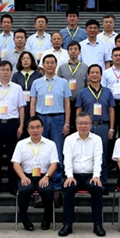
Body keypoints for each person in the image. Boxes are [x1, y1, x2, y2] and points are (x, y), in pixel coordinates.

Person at [58, 113, 105, 237]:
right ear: (76, 124)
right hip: (74, 175)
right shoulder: (69, 139)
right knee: (68, 189)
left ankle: (98, 225)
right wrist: (69, 176)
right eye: (80, 123)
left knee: (97, 189)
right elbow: (67, 160)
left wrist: (96, 176)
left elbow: (98, 159)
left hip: (90, 175)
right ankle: (67, 225)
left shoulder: (97, 139)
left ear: (91, 124)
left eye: (86, 123)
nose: (83, 126)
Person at [30, 54, 72, 190]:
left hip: (57, 119)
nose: (49, 65)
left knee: (57, 151)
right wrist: (32, 122)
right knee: (40, 150)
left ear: (56, 65)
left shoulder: (63, 82)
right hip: (41, 118)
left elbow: (67, 103)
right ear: (43, 65)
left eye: (52, 62)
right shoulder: (36, 83)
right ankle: (40, 182)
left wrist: (67, 122)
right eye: (47, 62)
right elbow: (33, 103)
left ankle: (57, 184)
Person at [0, 60, 26, 194]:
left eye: (8, 70)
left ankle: (13, 185)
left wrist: (21, 125)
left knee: (12, 155)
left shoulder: (17, 88)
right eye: (2, 70)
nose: (5, 72)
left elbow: (21, 108)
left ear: (11, 71)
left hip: (12, 123)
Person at [12, 116, 59, 231]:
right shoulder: (21, 144)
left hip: (44, 175)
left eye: (38, 127)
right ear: (28, 129)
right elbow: (16, 163)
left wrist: (47, 177)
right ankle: (25, 219)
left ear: (42, 128)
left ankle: (47, 219)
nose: (35, 130)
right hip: (26, 175)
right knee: (24, 190)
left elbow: (54, 163)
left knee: (47, 191)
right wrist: (23, 177)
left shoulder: (51, 144)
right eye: (32, 128)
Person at [76, 64, 116, 189]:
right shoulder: (83, 92)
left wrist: (111, 128)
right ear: (88, 75)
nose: (94, 75)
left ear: (101, 75)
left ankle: (102, 183)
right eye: (92, 72)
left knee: (102, 156)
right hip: (87, 127)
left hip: (103, 126)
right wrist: (78, 125)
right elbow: (79, 110)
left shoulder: (107, 92)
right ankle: (89, 182)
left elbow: (111, 110)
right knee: (87, 154)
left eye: (97, 72)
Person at [58, 41, 88, 129]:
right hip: (65, 101)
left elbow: (87, 84)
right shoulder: (62, 67)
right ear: (67, 52)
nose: (73, 51)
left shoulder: (85, 67)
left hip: (80, 102)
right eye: (71, 49)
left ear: (80, 51)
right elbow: (58, 84)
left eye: (75, 49)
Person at [12, 51, 42, 133]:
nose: (25, 60)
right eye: (23, 59)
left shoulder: (38, 75)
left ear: (32, 60)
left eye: (28, 58)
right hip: (19, 105)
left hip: (34, 104)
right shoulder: (16, 75)